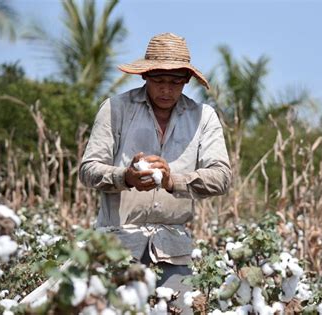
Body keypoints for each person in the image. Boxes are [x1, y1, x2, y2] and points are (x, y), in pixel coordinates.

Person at [79, 33, 231, 313]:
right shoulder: (116, 109)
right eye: (159, 80)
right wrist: (125, 177)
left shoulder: (203, 117)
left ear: (186, 80)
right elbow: (88, 169)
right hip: (118, 245)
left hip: (173, 248)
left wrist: (175, 181)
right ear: (145, 76)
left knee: (179, 309)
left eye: (175, 82)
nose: (166, 90)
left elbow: (221, 176)